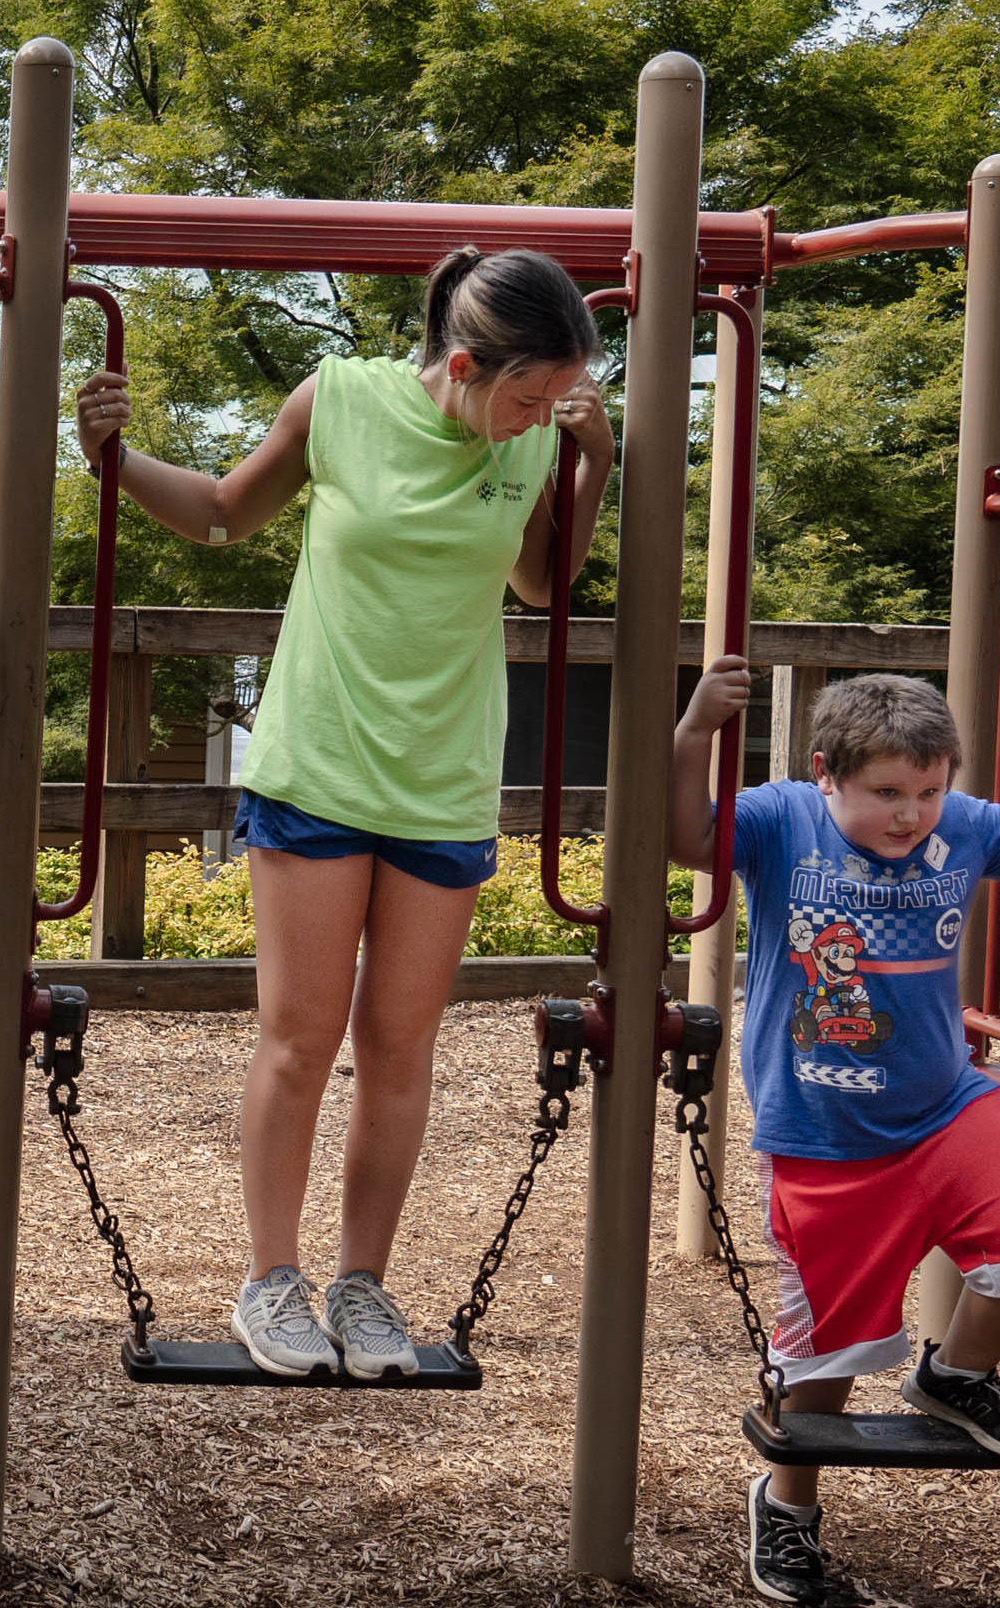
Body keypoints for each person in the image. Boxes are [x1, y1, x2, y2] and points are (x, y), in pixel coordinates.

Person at [71, 247, 612, 1378]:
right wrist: (113, 458)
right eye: (523, 397)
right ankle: (273, 1279)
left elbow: (542, 585)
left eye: (553, 402)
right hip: (317, 761)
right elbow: (222, 513)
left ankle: (365, 1286)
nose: (533, 419)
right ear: (462, 364)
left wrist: (589, 468)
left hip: (444, 776)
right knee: (301, 1035)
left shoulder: (534, 445)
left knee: (401, 1046)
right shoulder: (341, 399)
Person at [667, 665, 1000, 1605]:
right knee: (824, 1364)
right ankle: (787, 1510)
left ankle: (956, 1374)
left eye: (927, 790)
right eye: (886, 795)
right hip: (822, 1137)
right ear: (827, 772)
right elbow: (681, 837)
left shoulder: (960, 830)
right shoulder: (782, 819)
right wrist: (696, 728)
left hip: (944, 1107)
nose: (911, 814)